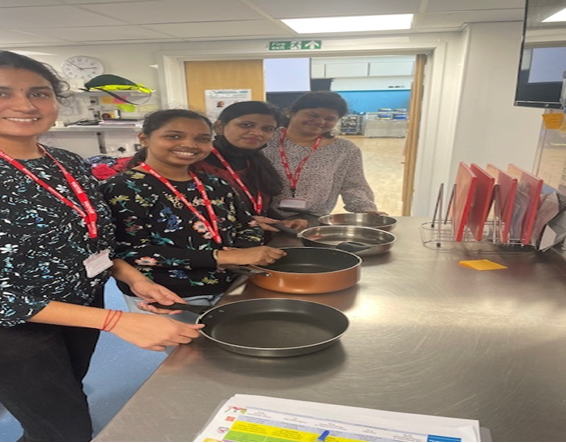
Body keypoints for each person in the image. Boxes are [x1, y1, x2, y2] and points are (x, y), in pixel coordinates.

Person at [0, 50, 204, 442]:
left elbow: (92, 238)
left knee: (63, 405)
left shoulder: (63, 160)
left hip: (78, 309)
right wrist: (117, 320)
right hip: (1, 330)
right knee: (64, 429)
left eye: (39, 93)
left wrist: (131, 277)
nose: (25, 105)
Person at [100, 109, 286, 317]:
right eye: (174, 136)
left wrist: (243, 250)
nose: (189, 144)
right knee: (191, 348)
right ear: (144, 139)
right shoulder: (122, 188)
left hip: (232, 283)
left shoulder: (214, 183)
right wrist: (220, 257)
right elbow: (130, 251)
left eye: (202, 139)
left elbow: (247, 223)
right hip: (168, 294)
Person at [263, 91, 384, 223]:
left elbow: (353, 185)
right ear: (292, 112)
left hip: (312, 222)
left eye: (330, 119)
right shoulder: (265, 140)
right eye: (313, 115)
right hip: (262, 219)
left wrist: (366, 209)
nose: (320, 122)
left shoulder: (344, 150)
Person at [191, 101, 308, 232]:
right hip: (222, 247)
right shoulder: (197, 163)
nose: (257, 133)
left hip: (259, 240)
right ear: (219, 126)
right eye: (246, 125)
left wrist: (283, 222)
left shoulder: (255, 161)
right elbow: (188, 214)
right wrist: (246, 220)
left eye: (267, 129)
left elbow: (258, 207)